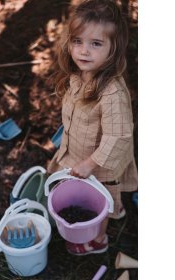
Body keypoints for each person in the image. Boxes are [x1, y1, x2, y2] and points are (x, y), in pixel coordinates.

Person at [47, 0, 138, 255]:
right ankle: (116, 206)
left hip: (99, 163)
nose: (84, 51)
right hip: (78, 152)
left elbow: (118, 136)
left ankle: (97, 240)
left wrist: (89, 163)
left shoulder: (111, 93)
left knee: (101, 197)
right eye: (78, 41)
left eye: (96, 44)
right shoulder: (79, 76)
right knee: (100, 193)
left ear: (113, 48)